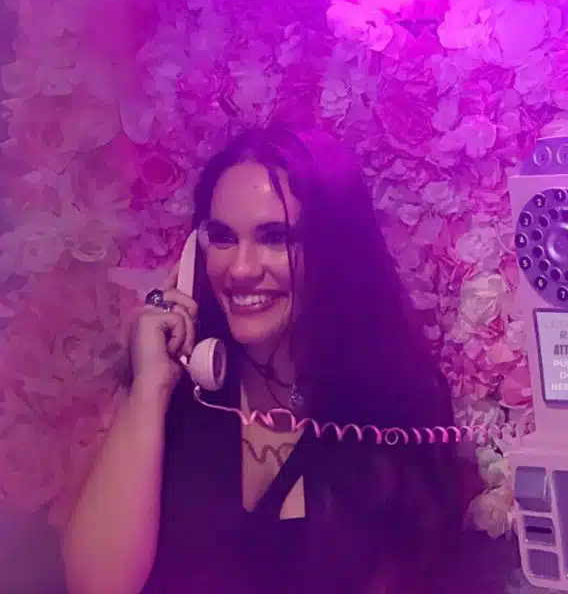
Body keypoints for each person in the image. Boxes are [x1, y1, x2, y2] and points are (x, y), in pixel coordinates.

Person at [61, 125, 468, 594]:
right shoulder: (175, 397)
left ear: (335, 252)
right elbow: (96, 586)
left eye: (276, 238)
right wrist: (151, 388)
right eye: (222, 237)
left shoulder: (397, 403)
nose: (240, 269)